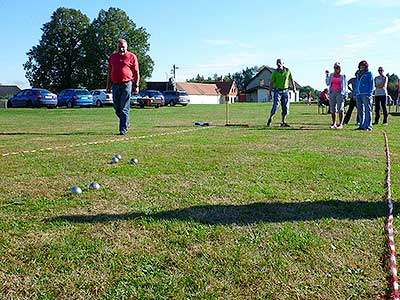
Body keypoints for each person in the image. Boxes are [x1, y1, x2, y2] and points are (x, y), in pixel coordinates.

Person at [106, 39, 140, 135]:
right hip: (115, 84)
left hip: (127, 84)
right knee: (117, 107)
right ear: (117, 47)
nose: (121, 49)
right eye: (119, 47)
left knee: (124, 107)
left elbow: (136, 72)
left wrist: (136, 85)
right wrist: (108, 86)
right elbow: (109, 72)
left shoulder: (132, 56)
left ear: (126, 47)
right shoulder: (112, 57)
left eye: (123, 47)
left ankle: (123, 129)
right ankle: (126, 122)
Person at [266, 59, 296, 127]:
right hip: (277, 91)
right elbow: (271, 83)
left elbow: (291, 79)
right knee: (275, 106)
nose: (278, 64)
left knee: (285, 107)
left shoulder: (287, 71)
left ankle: (283, 122)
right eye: (277, 63)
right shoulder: (275, 72)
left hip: (285, 91)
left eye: (280, 63)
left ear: (283, 63)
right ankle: (270, 118)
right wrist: (270, 93)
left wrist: (294, 88)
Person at [325, 62, 347, 129]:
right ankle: (334, 123)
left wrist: (345, 94)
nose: (336, 69)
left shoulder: (343, 76)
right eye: (335, 67)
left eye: (338, 67)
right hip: (332, 93)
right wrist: (327, 75)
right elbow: (327, 83)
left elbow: (345, 85)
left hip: (340, 93)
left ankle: (340, 124)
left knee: (340, 108)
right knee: (332, 109)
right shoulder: (331, 75)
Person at [355, 60, 374, 131]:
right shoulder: (358, 74)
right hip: (358, 94)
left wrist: (370, 93)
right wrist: (355, 93)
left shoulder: (369, 73)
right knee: (360, 110)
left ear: (366, 66)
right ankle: (361, 125)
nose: (361, 67)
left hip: (366, 94)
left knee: (367, 110)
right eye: (360, 65)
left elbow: (372, 84)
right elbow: (357, 84)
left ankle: (368, 126)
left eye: (363, 65)